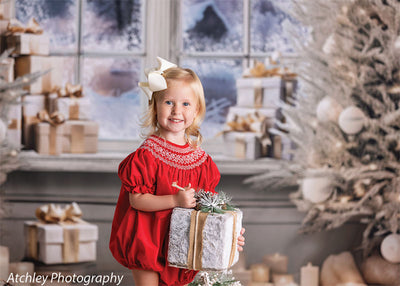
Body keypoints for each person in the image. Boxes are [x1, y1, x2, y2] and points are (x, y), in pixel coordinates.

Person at [109, 57, 245, 286]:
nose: (176, 111)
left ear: (196, 111)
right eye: (169, 102)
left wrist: (229, 233)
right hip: (148, 241)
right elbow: (137, 200)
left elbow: (207, 207)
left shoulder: (202, 162)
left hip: (183, 245)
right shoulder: (147, 156)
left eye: (185, 104)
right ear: (155, 106)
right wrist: (174, 199)